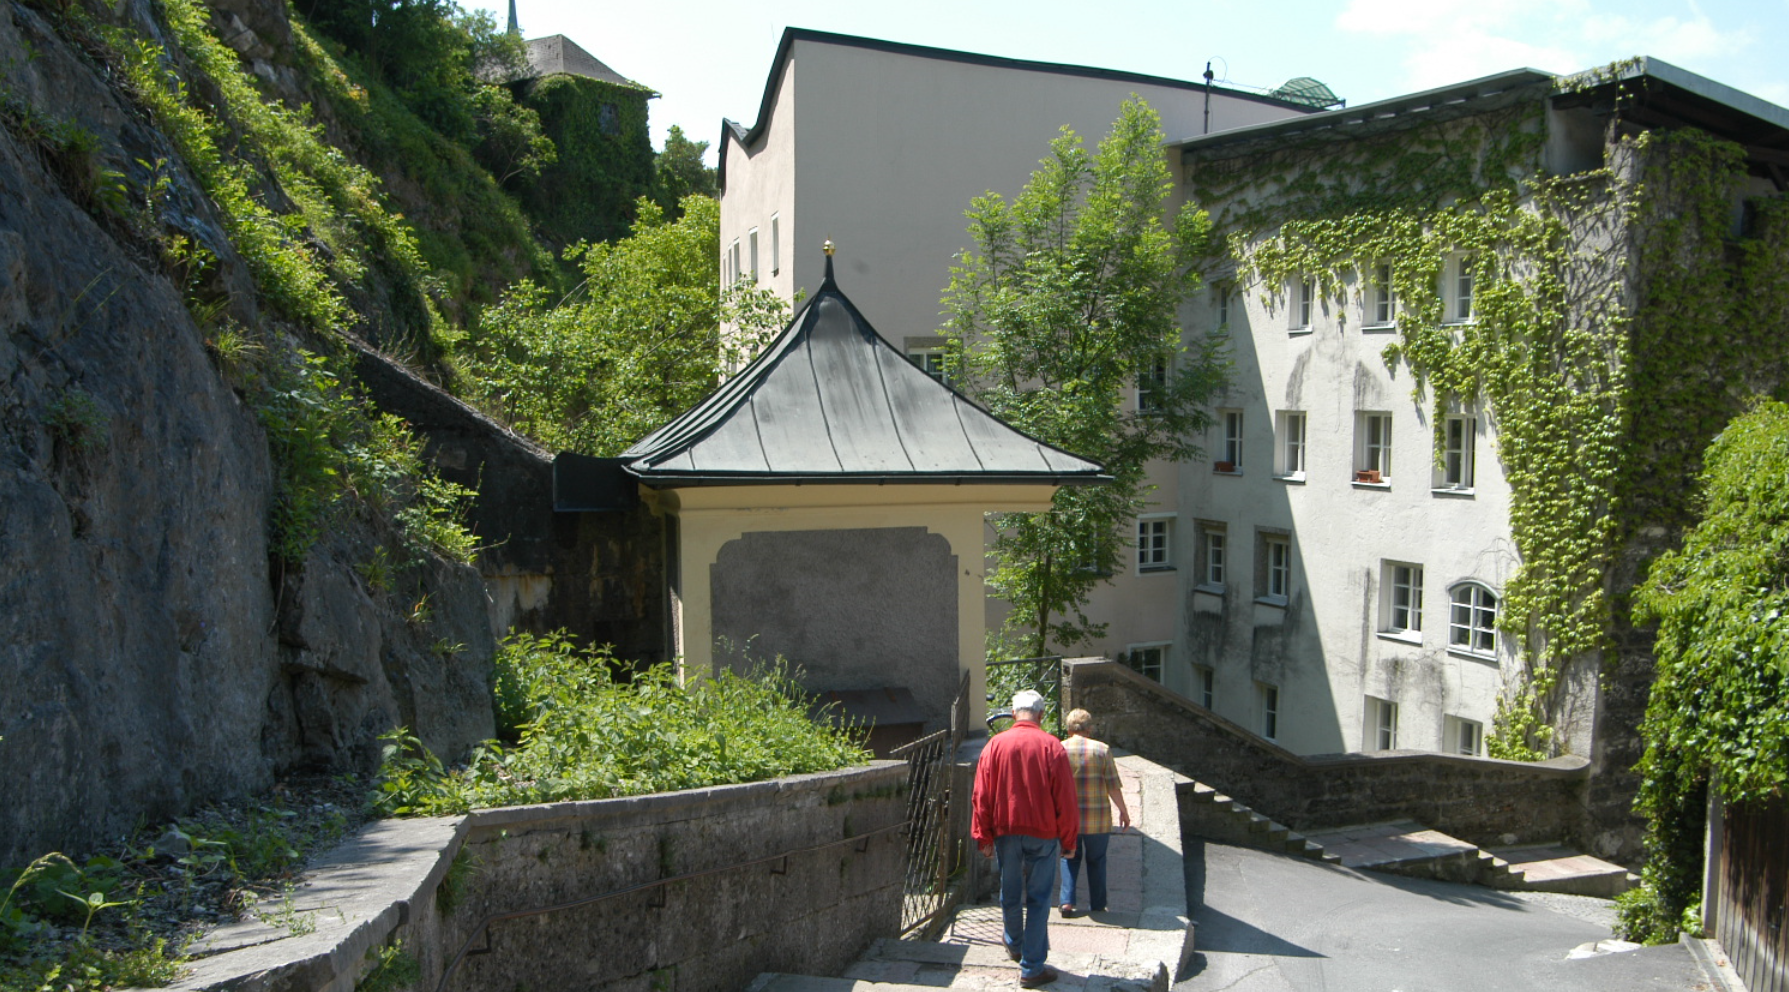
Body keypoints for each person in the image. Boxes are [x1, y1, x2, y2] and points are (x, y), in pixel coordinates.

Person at [971, 689, 1078, 988]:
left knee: (1010, 891)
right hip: (1043, 833)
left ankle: (1014, 943)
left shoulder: (994, 745)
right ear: (1041, 715)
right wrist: (1069, 840)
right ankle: (1031, 967)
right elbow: (1066, 800)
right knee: (1039, 898)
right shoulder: (1052, 746)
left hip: (1006, 832)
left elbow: (981, 795)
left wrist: (984, 836)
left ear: (1014, 713)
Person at [1056, 708, 1130, 917]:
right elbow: (1113, 785)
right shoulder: (1102, 750)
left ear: (1069, 728)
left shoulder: (1059, 749)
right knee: (1097, 860)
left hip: (1068, 818)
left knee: (1069, 857)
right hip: (1097, 819)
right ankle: (1098, 904)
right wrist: (1123, 811)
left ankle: (1067, 902)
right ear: (1089, 728)